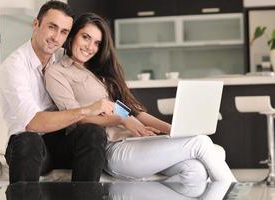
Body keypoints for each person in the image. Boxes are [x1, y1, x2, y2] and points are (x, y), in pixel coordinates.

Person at [44, 13, 237, 183]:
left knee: (195, 170)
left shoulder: (99, 73)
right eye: (85, 37)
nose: (90, 47)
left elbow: (131, 112)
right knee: (201, 143)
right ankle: (237, 194)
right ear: (73, 36)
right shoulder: (58, 72)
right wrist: (122, 120)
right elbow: (75, 117)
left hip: (136, 143)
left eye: (97, 43)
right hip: (114, 149)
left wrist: (174, 130)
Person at [0, 1, 114, 184]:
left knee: (93, 132)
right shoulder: (14, 66)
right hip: (27, 144)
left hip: (61, 142)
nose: (56, 37)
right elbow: (33, 122)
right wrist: (86, 110)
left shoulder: (61, 57)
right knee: (29, 141)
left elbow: (92, 62)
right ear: (36, 24)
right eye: (52, 27)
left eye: (64, 32)